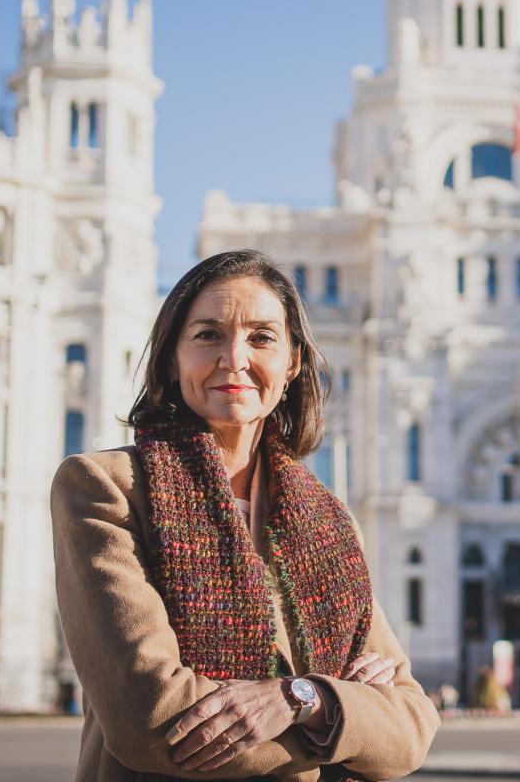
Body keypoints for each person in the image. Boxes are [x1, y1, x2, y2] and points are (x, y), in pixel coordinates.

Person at [52, 249, 439, 781]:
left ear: (292, 363)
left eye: (261, 337)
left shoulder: (329, 522)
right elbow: (153, 720)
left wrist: (302, 697)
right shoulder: (106, 490)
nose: (234, 358)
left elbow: (414, 726)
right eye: (208, 335)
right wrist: (347, 713)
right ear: (172, 358)